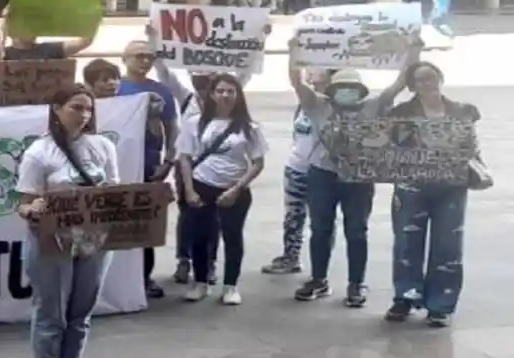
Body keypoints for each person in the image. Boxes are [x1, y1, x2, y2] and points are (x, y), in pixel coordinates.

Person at [15, 84, 120, 358]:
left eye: (88, 109)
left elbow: (115, 192)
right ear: (57, 109)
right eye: (76, 107)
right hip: (52, 242)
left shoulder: (103, 147)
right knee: (51, 314)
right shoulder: (39, 153)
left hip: (94, 242)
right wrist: (34, 210)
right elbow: (23, 203)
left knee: (81, 314)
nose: (83, 115)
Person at [286, 43, 416, 307]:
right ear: (332, 90)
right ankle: (318, 279)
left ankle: (357, 283)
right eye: (342, 88)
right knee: (320, 229)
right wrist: (294, 53)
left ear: (360, 91)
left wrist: (413, 52)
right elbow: (296, 81)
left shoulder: (373, 106)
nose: (347, 93)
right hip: (322, 174)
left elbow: (401, 82)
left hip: (359, 178)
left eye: (352, 89)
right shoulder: (318, 105)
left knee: (356, 231)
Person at [386, 62, 478, 327]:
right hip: (411, 186)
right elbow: (389, 147)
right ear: (412, 85)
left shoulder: (462, 111)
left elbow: (471, 145)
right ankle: (405, 297)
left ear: (441, 78)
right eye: (420, 79)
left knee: (448, 246)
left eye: (432, 77)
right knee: (406, 242)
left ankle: (441, 305)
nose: (428, 83)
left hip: (451, 187)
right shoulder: (401, 113)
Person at [176, 74, 267, 305]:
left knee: (232, 237)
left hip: (234, 189)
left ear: (238, 96)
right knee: (199, 237)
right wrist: (189, 190)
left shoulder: (250, 127)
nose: (225, 95)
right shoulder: (194, 123)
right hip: (201, 185)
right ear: (212, 94)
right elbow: (185, 158)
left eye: (230, 91)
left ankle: (230, 286)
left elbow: (257, 163)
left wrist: (237, 189)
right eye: (220, 91)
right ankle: (201, 282)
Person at [115, 40, 177, 299]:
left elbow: (172, 127)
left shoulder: (162, 91)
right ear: (124, 58)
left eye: (149, 57)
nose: (144, 61)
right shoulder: (114, 88)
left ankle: (144, 275)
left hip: (150, 163)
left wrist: (169, 161)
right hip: (118, 163)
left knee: (146, 223)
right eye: (138, 56)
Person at [262, 69, 333, 275]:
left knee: (321, 222)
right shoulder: (303, 103)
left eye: (316, 69)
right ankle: (291, 256)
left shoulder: (330, 104)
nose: (311, 72)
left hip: (319, 170)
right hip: (296, 166)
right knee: (293, 215)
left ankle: (320, 269)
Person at [2, 6, 96, 61]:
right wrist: (7, 20)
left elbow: (85, 41)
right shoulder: (3, 54)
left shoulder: (48, 50)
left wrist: (95, 12)